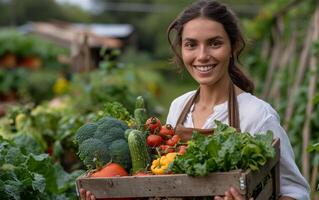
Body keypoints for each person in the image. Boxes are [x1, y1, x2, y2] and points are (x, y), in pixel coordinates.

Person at [80, 1, 310, 199]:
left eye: (214, 43)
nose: (202, 56)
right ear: (181, 49)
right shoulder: (179, 106)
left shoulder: (257, 115)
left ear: (233, 47)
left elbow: (297, 192)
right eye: (191, 44)